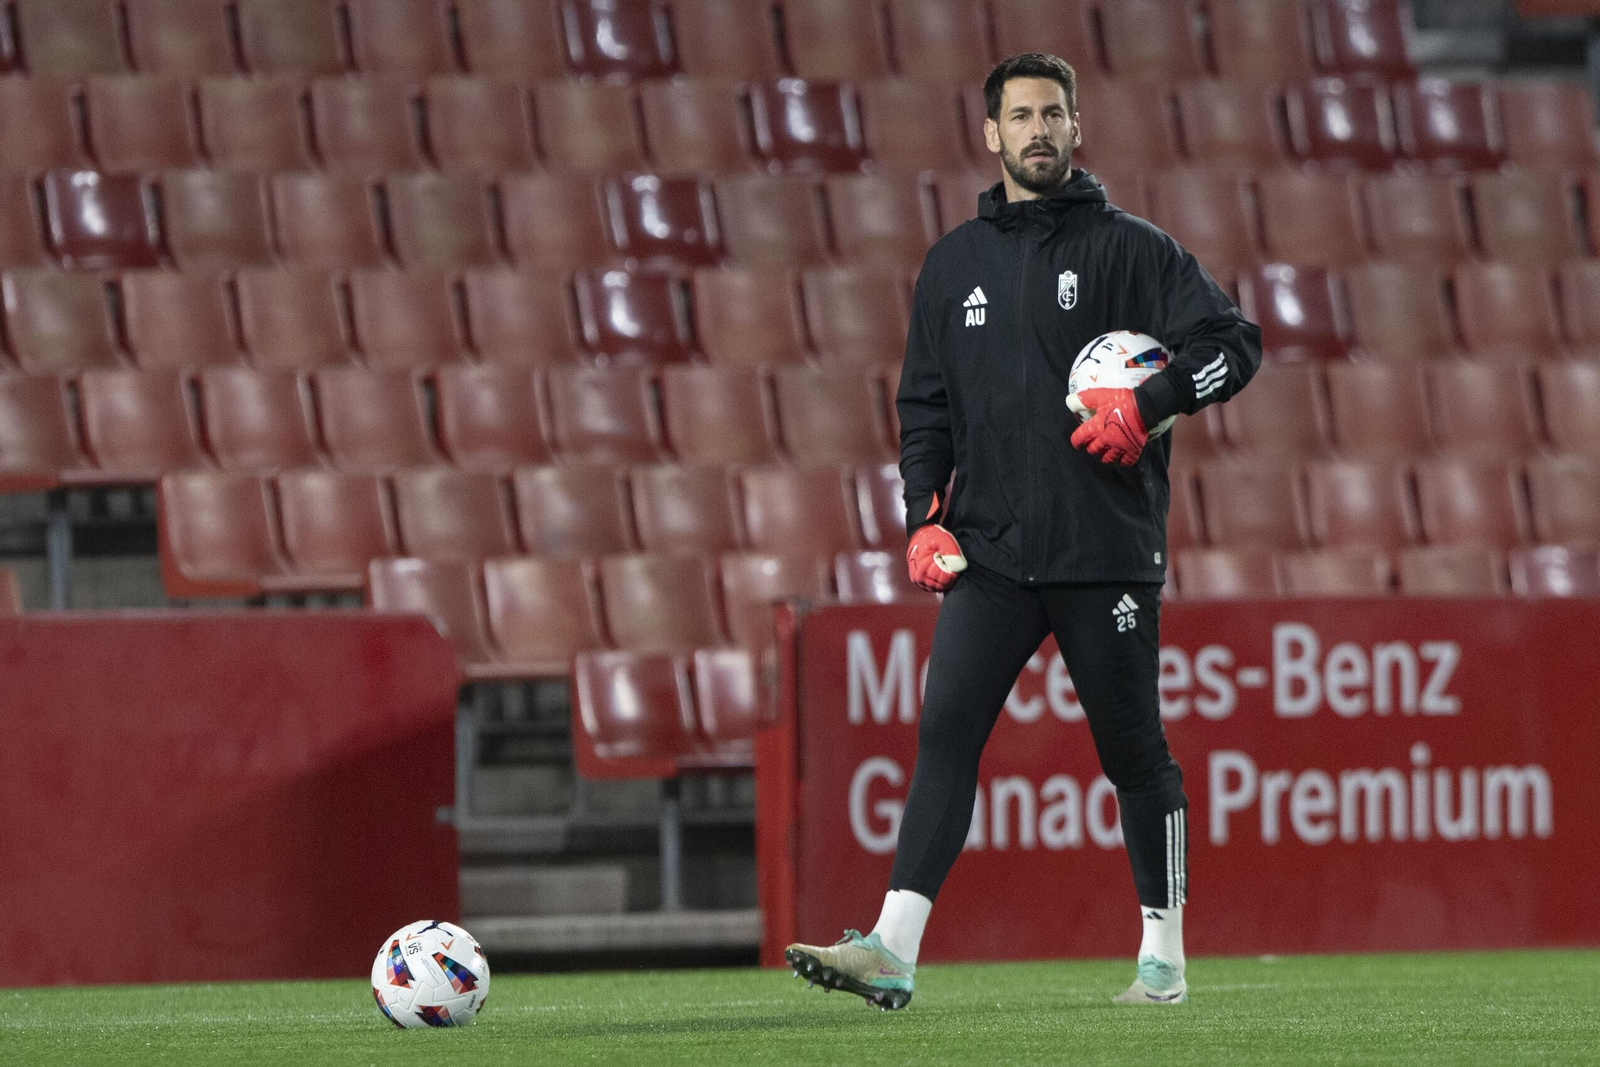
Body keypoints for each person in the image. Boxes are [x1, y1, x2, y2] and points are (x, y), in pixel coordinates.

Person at [784, 53, 1262, 1010]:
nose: (1038, 130)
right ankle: (892, 947)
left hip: (1105, 553)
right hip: (991, 554)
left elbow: (1236, 344)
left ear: (1076, 127)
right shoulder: (952, 264)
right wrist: (923, 519)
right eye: (1021, 116)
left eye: (1054, 113)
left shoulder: (1134, 249)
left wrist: (1152, 401)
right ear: (991, 134)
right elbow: (924, 411)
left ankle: (1162, 960)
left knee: (1133, 754)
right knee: (946, 732)